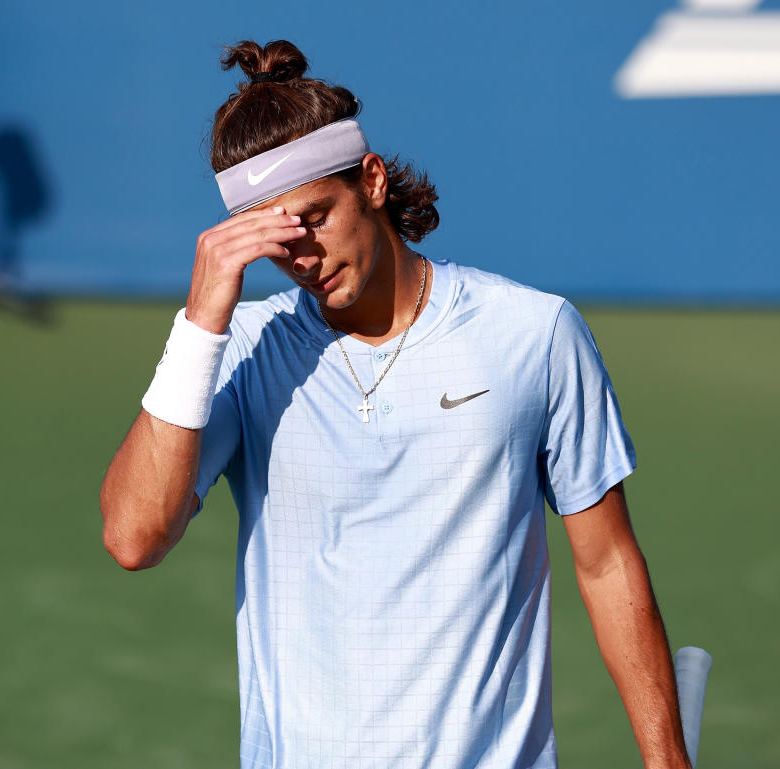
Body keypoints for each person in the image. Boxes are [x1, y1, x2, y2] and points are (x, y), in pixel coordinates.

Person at [100, 39, 692, 769]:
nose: (304, 256)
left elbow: (606, 562)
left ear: (372, 180)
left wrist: (668, 759)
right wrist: (200, 322)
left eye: (315, 216)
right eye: (276, 239)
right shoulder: (240, 351)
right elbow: (134, 538)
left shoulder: (534, 334)